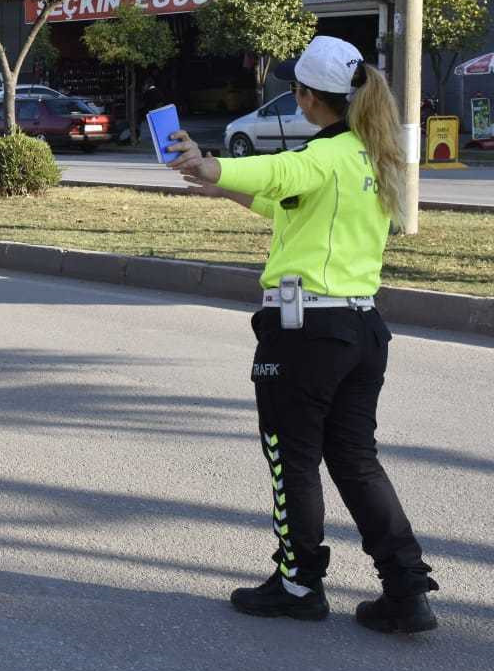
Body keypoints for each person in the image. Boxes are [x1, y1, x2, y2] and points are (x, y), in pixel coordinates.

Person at [165, 35, 439, 634]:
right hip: (362, 329)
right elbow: (289, 201)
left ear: (309, 96)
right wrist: (222, 188)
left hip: (307, 331)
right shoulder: (371, 155)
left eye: (296, 91)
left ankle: (298, 583)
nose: (295, 98)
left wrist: (208, 162)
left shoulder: (325, 154)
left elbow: (282, 169)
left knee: (293, 459)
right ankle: (406, 588)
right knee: (357, 461)